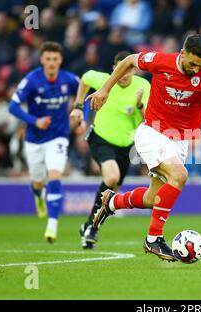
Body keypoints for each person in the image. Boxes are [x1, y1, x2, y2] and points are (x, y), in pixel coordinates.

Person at [86, 34, 201, 261]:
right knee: (179, 175)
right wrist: (105, 90)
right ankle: (153, 239)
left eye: (200, 64)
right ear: (182, 53)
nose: (196, 69)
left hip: (179, 140)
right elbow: (129, 60)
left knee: (153, 198)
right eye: (192, 63)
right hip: (152, 131)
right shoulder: (161, 61)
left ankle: (111, 202)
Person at [70, 51, 151, 249]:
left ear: (134, 68)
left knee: (111, 194)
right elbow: (85, 78)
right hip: (101, 139)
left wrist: (140, 104)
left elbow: (148, 120)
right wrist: (79, 106)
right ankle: (91, 228)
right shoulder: (105, 81)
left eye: (129, 69)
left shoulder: (143, 86)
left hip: (125, 146)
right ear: (115, 68)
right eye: (120, 69)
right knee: (112, 177)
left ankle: (90, 227)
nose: (124, 74)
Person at [8, 41, 79, 243]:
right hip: (34, 140)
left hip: (58, 136)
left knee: (55, 175)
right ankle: (39, 196)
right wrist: (34, 121)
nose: (51, 63)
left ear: (60, 60)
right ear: (41, 60)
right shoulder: (31, 79)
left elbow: (87, 92)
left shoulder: (68, 79)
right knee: (38, 181)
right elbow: (12, 107)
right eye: (47, 59)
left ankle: (52, 225)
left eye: (55, 59)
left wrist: (79, 112)